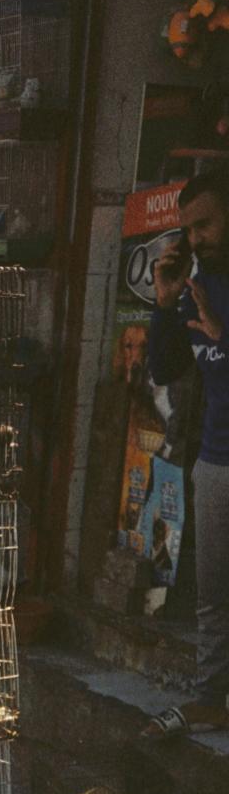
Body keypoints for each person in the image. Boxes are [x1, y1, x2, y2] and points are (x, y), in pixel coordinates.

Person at [143, 169, 229, 736]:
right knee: (213, 593)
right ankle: (207, 700)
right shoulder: (197, 288)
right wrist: (164, 302)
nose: (196, 239)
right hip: (217, 461)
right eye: (189, 229)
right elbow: (164, 369)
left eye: (206, 225)